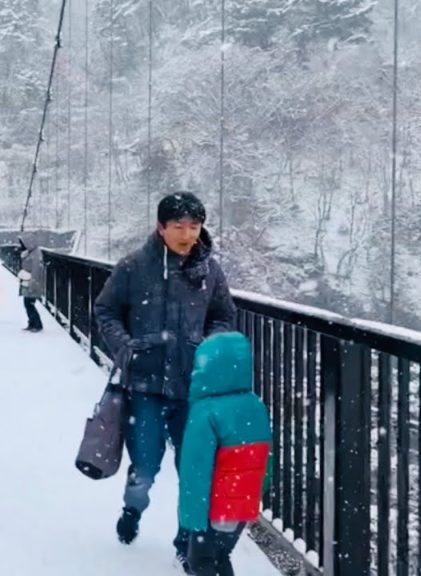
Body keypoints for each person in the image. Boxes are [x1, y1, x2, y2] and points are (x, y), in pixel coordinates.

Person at [93, 191, 236, 565]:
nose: (188, 234)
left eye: (195, 226)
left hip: (193, 388)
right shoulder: (133, 266)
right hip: (145, 387)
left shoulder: (210, 272)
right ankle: (132, 509)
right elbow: (106, 310)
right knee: (145, 466)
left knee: (195, 469)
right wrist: (125, 346)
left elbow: (223, 315)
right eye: (179, 227)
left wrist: (209, 344)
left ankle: (186, 541)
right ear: (161, 227)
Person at [178, 332, 271, 576]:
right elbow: (265, 458)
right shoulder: (256, 405)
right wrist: (256, 493)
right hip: (241, 504)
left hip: (213, 506)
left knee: (201, 561)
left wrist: (192, 519)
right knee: (221, 556)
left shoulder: (204, 412)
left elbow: (195, 472)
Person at [17, 235, 44, 332]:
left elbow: (36, 270)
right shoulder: (31, 252)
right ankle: (32, 323)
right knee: (28, 303)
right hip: (28, 282)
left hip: (32, 283)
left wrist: (33, 283)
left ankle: (37, 324)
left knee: (29, 303)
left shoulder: (35, 253)